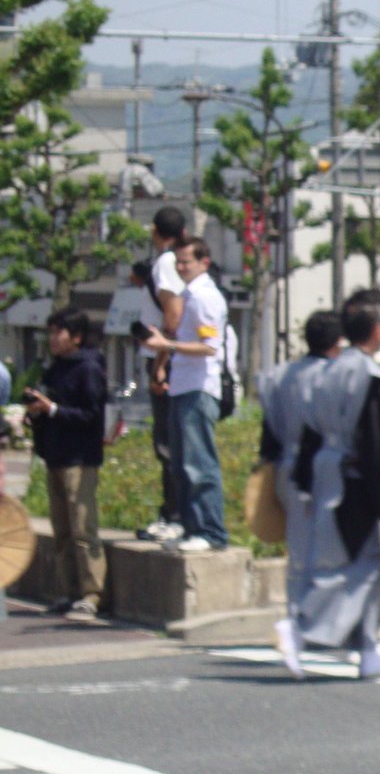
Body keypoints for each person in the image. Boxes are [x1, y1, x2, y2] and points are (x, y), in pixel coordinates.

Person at [278, 294, 380, 680]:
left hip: (326, 470)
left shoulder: (329, 370)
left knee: (348, 561)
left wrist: (305, 479)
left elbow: (310, 430)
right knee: (365, 563)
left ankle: (367, 649)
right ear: (375, 330)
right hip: (357, 477)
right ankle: (302, 627)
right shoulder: (369, 376)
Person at [143, 237, 231, 555]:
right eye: (177, 262)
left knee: (198, 463)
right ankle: (192, 528)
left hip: (199, 388)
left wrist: (167, 346)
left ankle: (211, 531)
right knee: (181, 463)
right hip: (182, 386)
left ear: (204, 263)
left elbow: (210, 346)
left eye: (186, 262)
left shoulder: (205, 297)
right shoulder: (189, 295)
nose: (180, 267)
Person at [257, 311, 342, 625]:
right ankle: (321, 621)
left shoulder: (278, 375)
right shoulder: (333, 377)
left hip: (286, 464)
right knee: (331, 551)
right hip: (325, 465)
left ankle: (297, 615)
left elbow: (268, 430)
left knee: (299, 549)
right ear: (337, 341)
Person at [25, 309, 108, 622]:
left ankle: (92, 594)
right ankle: (69, 591)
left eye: (59, 332)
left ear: (77, 336)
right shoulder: (55, 368)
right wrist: (37, 411)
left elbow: (92, 415)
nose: (53, 339)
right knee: (62, 530)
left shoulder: (89, 368)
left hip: (80, 458)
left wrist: (54, 409)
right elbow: (50, 410)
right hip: (56, 456)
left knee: (83, 528)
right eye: (51, 332)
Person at [136, 206, 187, 543]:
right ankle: (175, 513)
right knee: (170, 441)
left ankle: (175, 515)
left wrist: (160, 363)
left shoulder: (166, 263)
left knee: (168, 443)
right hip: (173, 358)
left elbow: (173, 316)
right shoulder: (175, 262)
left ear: (156, 230)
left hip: (166, 359)